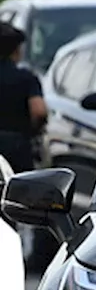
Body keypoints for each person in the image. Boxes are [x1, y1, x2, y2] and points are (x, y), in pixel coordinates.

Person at [0, 22, 46, 175]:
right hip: (16, 148)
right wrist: (33, 131)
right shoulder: (26, 78)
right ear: (16, 50)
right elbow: (39, 111)